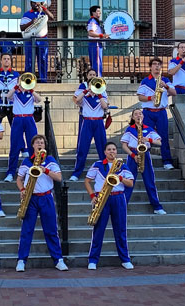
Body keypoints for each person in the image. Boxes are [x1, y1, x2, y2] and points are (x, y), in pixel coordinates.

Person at [15, 134, 68, 272]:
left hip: (46, 198)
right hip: (30, 198)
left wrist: (45, 170)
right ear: (32, 145)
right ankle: (21, 260)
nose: (40, 144)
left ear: (44, 146)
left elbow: (59, 177)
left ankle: (58, 260)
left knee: (51, 230)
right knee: (27, 230)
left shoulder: (50, 160)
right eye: (37, 142)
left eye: (42, 143)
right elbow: (19, 179)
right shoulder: (27, 161)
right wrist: (22, 189)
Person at [85, 142, 135, 270]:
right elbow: (87, 181)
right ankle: (93, 260)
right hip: (102, 198)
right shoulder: (97, 165)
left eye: (114, 149)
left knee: (120, 229)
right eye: (109, 149)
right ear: (105, 152)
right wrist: (92, 196)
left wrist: (120, 178)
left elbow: (130, 183)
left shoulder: (122, 166)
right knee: (98, 229)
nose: (112, 151)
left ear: (116, 152)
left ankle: (125, 259)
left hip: (118, 197)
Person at [121, 108, 166, 214]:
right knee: (129, 181)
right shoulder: (129, 129)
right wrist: (133, 155)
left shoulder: (148, 129)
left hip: (145, 154)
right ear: (133, 117)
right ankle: (122, 206)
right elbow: (124, 145)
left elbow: (159, 143)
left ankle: (157, 207)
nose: (138, 116)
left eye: (140, 114)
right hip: (133, 155)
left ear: (143, 116)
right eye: (135, 114)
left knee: (150, 181)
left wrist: (148, 140)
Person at [137, 57, 177, 170]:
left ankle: (167, 162)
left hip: (161, 112)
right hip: (148, 112)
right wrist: (151, 97)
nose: (157, 66)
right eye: (154, 64)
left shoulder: (166, 80)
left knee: (163, 137)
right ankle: (144, 161)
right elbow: (140, 97)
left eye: (159, 64)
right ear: (150, 67)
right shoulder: (145, 81)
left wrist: (166, 86)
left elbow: (174, 93)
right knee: (145, 137)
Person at [70, 71, 108, 182]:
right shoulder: (85, 96)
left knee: (102, 147)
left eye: (94, 75)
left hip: (98, 122)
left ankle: (105, 171)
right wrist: (87, 90)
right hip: (87, 122)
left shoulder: (102, 92)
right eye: (90, 75)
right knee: (82, 148)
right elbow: (77, 100)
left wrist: (99, 93)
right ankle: (77, 173)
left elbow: (105, 106)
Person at [3, 73, 42, 182]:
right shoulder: (15, 93)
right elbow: (8, 97)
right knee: (15, 145)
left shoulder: (31, 94)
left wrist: (32, 90)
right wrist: (16, 86)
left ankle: (33, 168)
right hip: (18, 119)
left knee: (33, 144)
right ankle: (11, 172)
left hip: (29, 119)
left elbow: (39, 100)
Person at [20, 1, 54, 83]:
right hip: (30, 40)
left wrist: (44, 8)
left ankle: (43, 79)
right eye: (34, 2)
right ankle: (28, 81)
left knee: (43, 60)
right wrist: (31, 22)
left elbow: (52, 18)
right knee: (29, 61)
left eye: (37, 2)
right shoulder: (27, 14)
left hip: (42, 40)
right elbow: (22, 28)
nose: (36, 4)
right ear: (31, 4)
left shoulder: (43, 13)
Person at [73, 68, 97, 153]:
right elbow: (75, 97)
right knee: (82, 135)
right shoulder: (83, 85)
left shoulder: (99, 85)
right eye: (90, 74)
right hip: (85, 114)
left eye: (94, 75)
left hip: (96, 115)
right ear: (87, 76)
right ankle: (79, 152)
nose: (92, 76)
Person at [87, 6, 109, 77]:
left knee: (96, 62)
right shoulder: (93, 21)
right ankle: (97, 79)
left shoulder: (95, 21)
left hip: (96, 43)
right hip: (95, 44)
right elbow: (91, 33)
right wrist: (102, 35)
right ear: (93, 12)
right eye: (98, 11)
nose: (100, 13)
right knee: (97, 63)